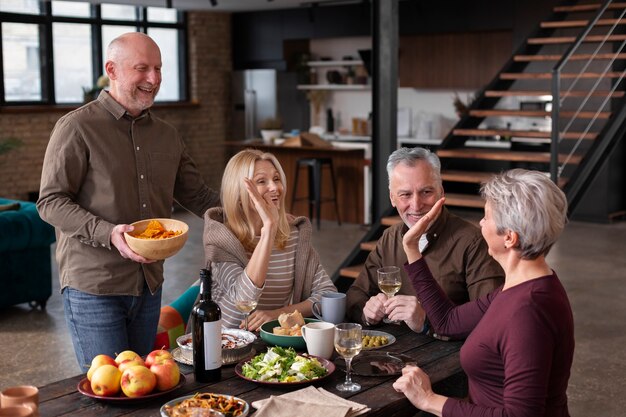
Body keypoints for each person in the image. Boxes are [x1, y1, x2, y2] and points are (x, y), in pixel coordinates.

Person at [37, 32, 219, 369]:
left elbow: (197, 194)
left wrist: (247, 212)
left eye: (159, 69)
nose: (153, 79)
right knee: (110, 392)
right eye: (142, 68)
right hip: (94, 285)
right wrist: (108, 232)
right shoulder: (76, 128)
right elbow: (50, 201)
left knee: (145, 386)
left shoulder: (167, 134)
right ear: (113, 70)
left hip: (149, 283)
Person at [393, 169, 574, 417]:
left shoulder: (528, 311)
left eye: (486, 217)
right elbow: (447, 322)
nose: (480, 223)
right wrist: (412, 248)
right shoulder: (522, 286)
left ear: (509, 237)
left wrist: (429, 400)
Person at [346, 147, 503, 333]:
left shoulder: (473, 241)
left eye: (426, 192)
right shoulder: (390, 237)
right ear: (392, 198)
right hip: (394, 355)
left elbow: (491, 317)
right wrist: (367, 311)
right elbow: (355, 295)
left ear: (441, 192)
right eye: (405, 194)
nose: (416, 205)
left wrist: (426, 320)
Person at [203, 149, 337, 330]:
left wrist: (278, 314)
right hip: (226, 345)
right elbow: (244, 301)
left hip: (270, 346)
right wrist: (268, 231)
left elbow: (328, 295)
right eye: (261, 181)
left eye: (276, 179)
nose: (275, 188)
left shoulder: (295, 236)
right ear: (239, 194)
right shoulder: (222, 240)